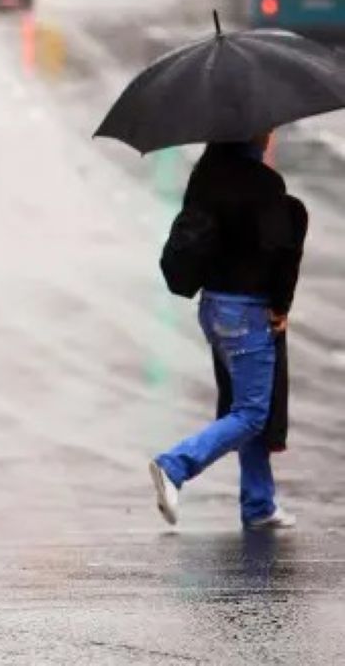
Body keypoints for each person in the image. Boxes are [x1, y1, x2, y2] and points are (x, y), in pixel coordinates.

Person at [149, 136, 306, 531]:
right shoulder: (264, 184)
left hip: (214, 306)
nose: (270, 134)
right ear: (252, 136)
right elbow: (278, 251)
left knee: (245, 403)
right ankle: (175, 465)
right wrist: (281, 306)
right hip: (248, 312)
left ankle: (259, 503)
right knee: (252, 414)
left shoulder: (206, 176)